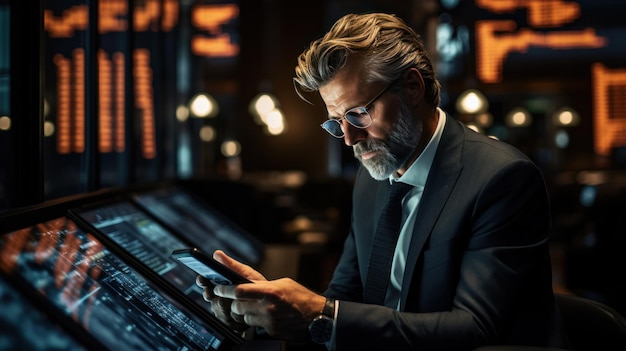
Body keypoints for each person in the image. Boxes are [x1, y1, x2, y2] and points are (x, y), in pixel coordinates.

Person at [197, 12, 569, 350]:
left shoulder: (502, 179)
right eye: (336, 121)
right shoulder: (371, 175)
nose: (349, 139)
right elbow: (346, 295)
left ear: (412, 87)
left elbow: (475, 329)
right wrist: (264, 311)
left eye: (359, 113)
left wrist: (319, 314)